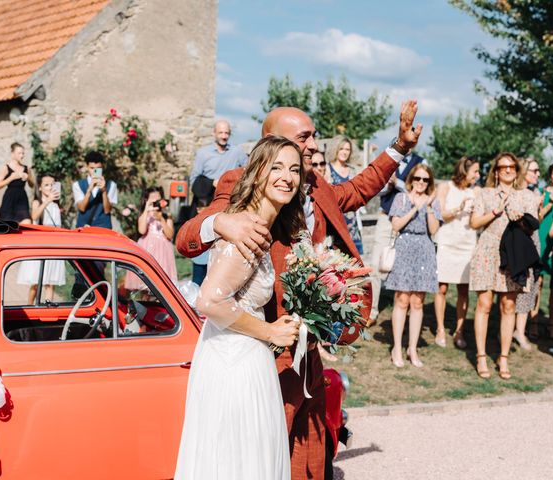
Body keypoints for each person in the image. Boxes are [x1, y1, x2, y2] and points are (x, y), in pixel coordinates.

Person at [176, 101, 422, 479]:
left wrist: (399, 148)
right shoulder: (239, 183)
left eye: (312, 138)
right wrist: (223, 223)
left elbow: (359, 188)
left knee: (311, 446)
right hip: (265, 347)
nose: (312, 145)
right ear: (270, 143)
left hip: (307, 346)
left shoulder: (316, 187)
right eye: (303, 137)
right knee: (263, 445)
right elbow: (190, 237)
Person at [175, 136, 304, 479]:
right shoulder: (248, 228)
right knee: (239, 459)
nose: (287, 176)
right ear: (257, 172)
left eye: (294, 169)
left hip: (240, 353)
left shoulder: (264, 224)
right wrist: (270, 331)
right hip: (235, 362)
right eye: (276, 167)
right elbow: (209, 300)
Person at [469, 152, 538, 380]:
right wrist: (495, 211)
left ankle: (504, 357)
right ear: (496, 171)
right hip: (488, 251)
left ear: (517, 171)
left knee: (508, 305)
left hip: (513, 254)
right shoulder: (485, 193)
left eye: (511, 166)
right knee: (484, 304)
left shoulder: (527, 196)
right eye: (503, 167)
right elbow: (474, 223)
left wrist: (521, 220)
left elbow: (533, 227)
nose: (508, 169)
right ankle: (480, 355)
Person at [385, 165, 441, 368]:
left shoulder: (433, 202)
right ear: (411, 179)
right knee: (402, 299)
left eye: (425, 180)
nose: (421, 182)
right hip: (405, 247)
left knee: (418, 302)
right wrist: (415, 208)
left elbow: (433, 230)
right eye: (417, 178)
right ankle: (397, 347)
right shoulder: (401, 198)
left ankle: (413, 348)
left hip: (424, 249)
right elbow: (396, 225)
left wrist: (427, 207)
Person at [368, 148, 427, 326]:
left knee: (405, 267)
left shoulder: (421, 162)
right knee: (376, 262)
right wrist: (388, 185)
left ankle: (402, 308)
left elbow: (422, 189)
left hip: (409, 220)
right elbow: (378, 190)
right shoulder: (389, 160)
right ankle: (371, 310)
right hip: (386, 217)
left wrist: (398, 183)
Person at [434, 156, 480, 349]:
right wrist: (458, 208)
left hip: (467, 243)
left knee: (463, 289)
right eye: (475, 172)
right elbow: (440, 214)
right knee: (441, 288)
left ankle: (460, 331)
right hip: (446, 241)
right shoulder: (445, 187)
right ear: (464, 170)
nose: (478, 176)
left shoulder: (476, 191)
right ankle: (440, 329)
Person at [16, 174, 65, 304]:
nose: (50, 187)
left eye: (52, 184)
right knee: (36, 282)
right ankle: (29, 306)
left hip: (54, 245)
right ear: (40, 188)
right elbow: (34, 215)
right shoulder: (38, 202)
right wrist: (47, 201)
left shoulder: (56, 204)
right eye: (46, 185)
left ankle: (48, 308)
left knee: (50, 283)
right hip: (42, 245)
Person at [514, 158, 542, 350]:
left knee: (530, 286)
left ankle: (520, 331)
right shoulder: (516, 193)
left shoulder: (536, 193)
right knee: (515, 287)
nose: (538, 174)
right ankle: (506, 330)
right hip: (519, 243)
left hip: (535, 242)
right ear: (524, 171)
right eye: (534, 170)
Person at [189, 120, 248, 207]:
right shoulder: (203, 153)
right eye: (220, 133)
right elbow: (194, 181)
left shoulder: (237, 151)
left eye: (226, 133)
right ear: (214, 133)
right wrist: (211, 183)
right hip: (208, 199)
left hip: (229, 199)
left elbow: (250, 169)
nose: (224, 136)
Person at [127, 187, 177, 285]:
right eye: (152, 198)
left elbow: (170, 235)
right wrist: (147, 208)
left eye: (158, 198)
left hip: (163, 250)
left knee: (162, 283)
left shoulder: (166, 213)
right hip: (147, 248)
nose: (155, 201)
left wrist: (161, 219)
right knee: (145, 281)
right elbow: (141, 230)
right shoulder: (144, 214)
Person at [325, 137, 363, 254]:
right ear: (336, 149)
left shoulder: (353, 170)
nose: (344, 152)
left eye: (347, 149)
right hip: (334, 220)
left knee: (354, 261)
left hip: (352, 221)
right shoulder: (327, 168)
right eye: (341, 148)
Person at [73, 151, 118, 229]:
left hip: (103, 227)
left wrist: (104, 191)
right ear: (87, 167)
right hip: (84, 227)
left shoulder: (111, 185)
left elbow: (107, 210)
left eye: (98, 169)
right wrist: (89, 189)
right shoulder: (77, 185)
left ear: (102, 167)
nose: (95, 171)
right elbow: (81, 208)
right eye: (92, 168)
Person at [536, 162, 553, 340]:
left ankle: (552, 325)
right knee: (538, 282)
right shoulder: (544, 192)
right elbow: (537, 216)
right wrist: (549, 204)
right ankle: (533, 323)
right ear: (551, 175)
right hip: (542, 239)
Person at [0, 142, 34, 224]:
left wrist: (28, 178)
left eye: (23, 153)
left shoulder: (26, 168)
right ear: (12, 154)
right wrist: (11, 178)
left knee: (27, 223)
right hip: (9, 199)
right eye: (19, 153)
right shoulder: (6, 168)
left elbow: (32, 185)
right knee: (8, 226)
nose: (22, 155)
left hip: (22, 199)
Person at [190, 197, 210, 285]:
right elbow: (191, 240)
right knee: (196, 283)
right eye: (203, 208)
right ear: (198, 209)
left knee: (208, 283)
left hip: (209, 258)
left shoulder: (211, 222)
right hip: (198, 258)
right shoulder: (194, 222)